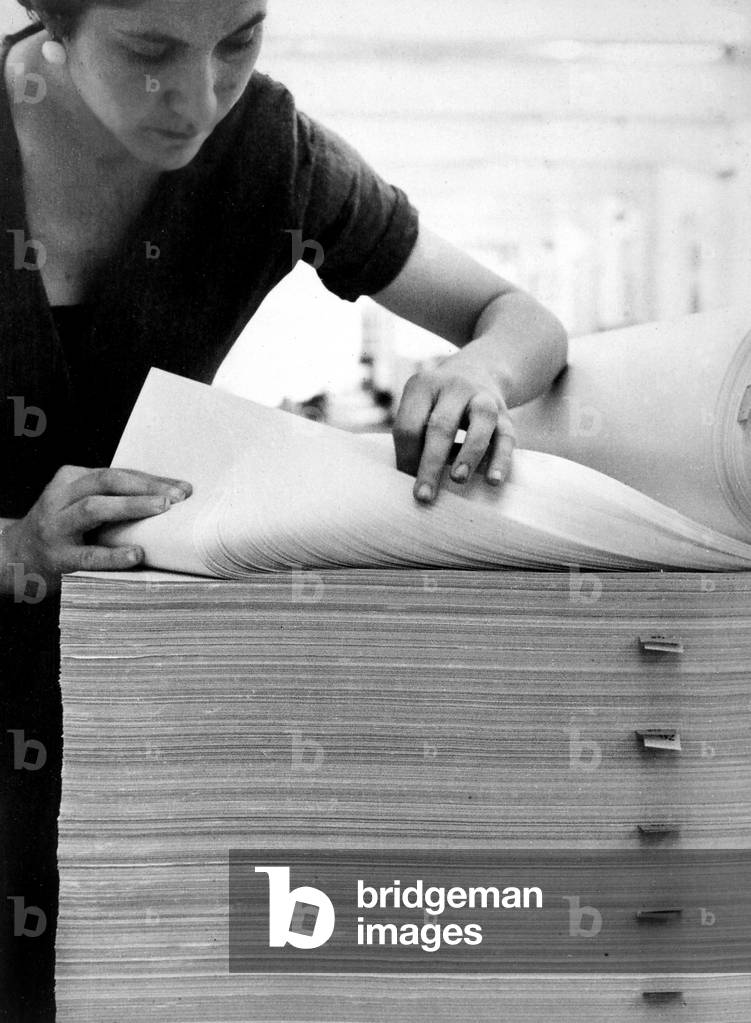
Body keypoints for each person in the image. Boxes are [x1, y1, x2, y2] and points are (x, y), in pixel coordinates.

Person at [0, 1, 567, 1017]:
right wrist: (11, 545)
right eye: (147, 52)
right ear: (52, 19)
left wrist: (478, 372)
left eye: (240, 39)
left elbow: (517, 318)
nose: (201, 96)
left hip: (124, 682)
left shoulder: (272, 153)